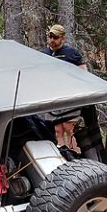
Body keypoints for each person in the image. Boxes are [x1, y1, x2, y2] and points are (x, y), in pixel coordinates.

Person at [41, 24, 87, 152]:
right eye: (50, 37)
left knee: (70, 127)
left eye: (55, 37)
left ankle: (77, 155)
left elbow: (84, 75)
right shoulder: (43, 54)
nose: (52, 40)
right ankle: (62, 155)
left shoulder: (72, 54)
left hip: (70, 95)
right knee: (57, 129)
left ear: (63, 38)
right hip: (51, 96)